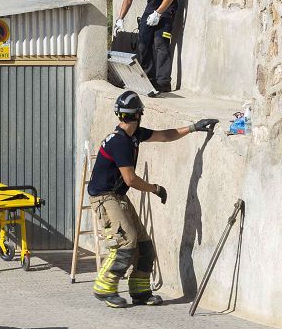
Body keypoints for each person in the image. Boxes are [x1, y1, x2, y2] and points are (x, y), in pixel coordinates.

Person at [88, 91, 218, 308]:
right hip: (105, 198)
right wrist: (155, 189)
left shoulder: (133, 135)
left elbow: (165, 135)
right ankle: (104, 287)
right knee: (125, 242)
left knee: (144, 245)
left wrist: (194, 127)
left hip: (117, 196)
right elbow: (130, 179)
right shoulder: (120, 142)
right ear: (138, 114)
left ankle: (140, 291)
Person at [113, 0, 177, 93]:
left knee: (160, 43)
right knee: (142, 43)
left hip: (167, 8)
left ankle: (163, 83)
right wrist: (120, 19)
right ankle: (149, 79)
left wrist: (159, 13)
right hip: (152, 7)